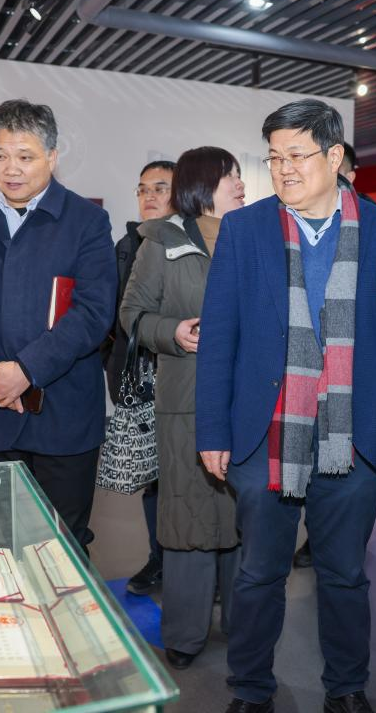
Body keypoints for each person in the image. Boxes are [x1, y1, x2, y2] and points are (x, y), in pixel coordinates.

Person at [196, 99, 376, 713]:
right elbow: (220, 336)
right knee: (259, 573)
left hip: (354, 435)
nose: (284, 168)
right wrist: (213, 430)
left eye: (297, 154)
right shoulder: (245, 229)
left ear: (335, 156)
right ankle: (250, 689)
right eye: (274, 157)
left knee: (344, 575)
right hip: (264, 432)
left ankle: (347, 688)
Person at [0, 99, 116, 551]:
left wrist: (27, 370)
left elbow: (93, 312)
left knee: (62, 547)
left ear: (51, 156)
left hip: (64, 417)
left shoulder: (87, 222)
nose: (11, 169)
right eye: (0, 155)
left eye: (25, 156)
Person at [121, 146, 245, 671]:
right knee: (187, 516)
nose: (241, 183)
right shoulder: (163, 241)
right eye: (231, 175)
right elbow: (131, 314)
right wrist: (171, 331)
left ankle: (244, 626)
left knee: (244, 516)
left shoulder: (254, 236)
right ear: (203, 183)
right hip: (185, 399)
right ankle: (185, 634)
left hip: (246, 400)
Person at [293, 141, 376, 571]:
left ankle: (323, 543)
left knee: (344, 567)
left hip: (355, 408)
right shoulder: (271, 226)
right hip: (291, 400)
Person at [105, 159, 177, 596]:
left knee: (189, 477)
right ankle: (159, 559)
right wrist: (115, 370)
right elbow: (113, 317)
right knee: (151, 477)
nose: (149, 196)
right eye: (143, 189)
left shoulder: (194, 244)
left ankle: (199, 564)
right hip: (136, 380)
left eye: (160, 187)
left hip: (182, 376)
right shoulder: (126, 245)